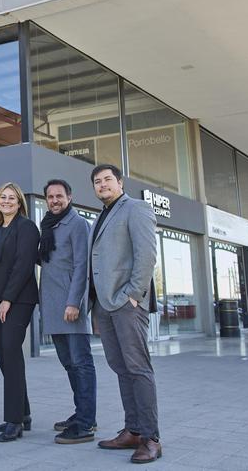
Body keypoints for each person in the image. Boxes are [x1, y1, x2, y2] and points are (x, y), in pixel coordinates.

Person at [88, 164, 162, 463]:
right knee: (121, 368)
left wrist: (133, 296)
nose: (102, 184)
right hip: (105, 306)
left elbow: (147, 255)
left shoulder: (136, 208)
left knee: (138, 369)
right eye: (97, 181)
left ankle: (151, 438)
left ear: (119, 182)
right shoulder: (100, 217)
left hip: (126, 304)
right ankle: (133, 430)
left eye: (107, 179)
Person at [0, 182, 40, 443]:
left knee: (11, 354)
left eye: (11, 198)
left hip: (18, 300)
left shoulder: (26, 227)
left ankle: (13, 421)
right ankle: (23, 413)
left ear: (19, 203)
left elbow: (23, 265)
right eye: (2, 197)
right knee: (6, 358)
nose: (6, 201)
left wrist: (7, 299)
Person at [38, 179, 97, 444]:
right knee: (69, 364)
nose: (54, 200)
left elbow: (83, 266)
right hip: (53, 307)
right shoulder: (48, 225)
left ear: (69, 197)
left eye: (59, 196)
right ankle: (82, 414)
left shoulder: (78, 225)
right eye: (50, 197)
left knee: (81, 364)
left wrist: (75, 303)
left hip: (70, 307)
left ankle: (85, 424)